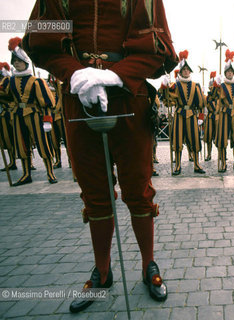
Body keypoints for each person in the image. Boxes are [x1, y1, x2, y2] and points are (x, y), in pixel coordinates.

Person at [23, 0, 178, 311]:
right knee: (95, 193)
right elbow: (42, 41)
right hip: (77, 96)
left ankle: (149, 265)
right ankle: (102, 273)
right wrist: (77, 75)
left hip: (129, 96)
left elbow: (155, 47)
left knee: (138, 189)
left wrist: (114, 76)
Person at [0, 37, 57, 186]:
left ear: (25, 62)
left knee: (43, 143)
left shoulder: (36, 81)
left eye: (19, 61)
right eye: (14, 62)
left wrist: (47, 120)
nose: (16, 63)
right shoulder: (10, 81)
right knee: (21, 144)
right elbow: (6, 97)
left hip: (35, 115)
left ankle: (50, 172)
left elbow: (47, 102)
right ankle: (26, 174)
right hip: (18, 116)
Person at [161, 50, 205, 175]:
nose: (186, 71)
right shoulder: (175, 85)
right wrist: (165, 88)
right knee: (178, 140)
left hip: (191, 115)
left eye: (187, 70)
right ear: (180, 71)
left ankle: (197, 164)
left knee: (195, 139)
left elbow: (201, 103)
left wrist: (200, 115)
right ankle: (178, 166)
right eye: (183, 70)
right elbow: (169, 101)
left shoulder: (196, 86)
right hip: (179, 115)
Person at [0, 62, 17, 172]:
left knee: (18, 137)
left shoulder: (7, 80)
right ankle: (12, 161)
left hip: (10, 112)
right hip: (3, 113)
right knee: (7, 139)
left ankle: (29, 163)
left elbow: (6, 93)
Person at [203, 71, 218, 161]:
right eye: (211, 86)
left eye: (214, 86)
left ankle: (222, 154)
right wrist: (201, 118)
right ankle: (209, 154)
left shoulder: (219, 96)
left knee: (220, 136)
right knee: (208, 137)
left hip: (217, 117)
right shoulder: (206, 97)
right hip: (210, 117)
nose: (212, 88)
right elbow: (201, 106)